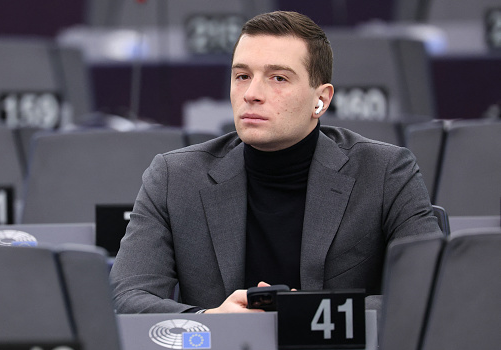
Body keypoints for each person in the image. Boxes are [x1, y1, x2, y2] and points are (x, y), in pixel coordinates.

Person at [109, 11, 441, 314]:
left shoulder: (385, 172)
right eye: (242, 76)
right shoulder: (173, 177)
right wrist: (210, 320)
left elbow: (427, 294)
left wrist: (309, 313)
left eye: (278, 78)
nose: (252, 93)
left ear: (321, 100)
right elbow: (126, 296)